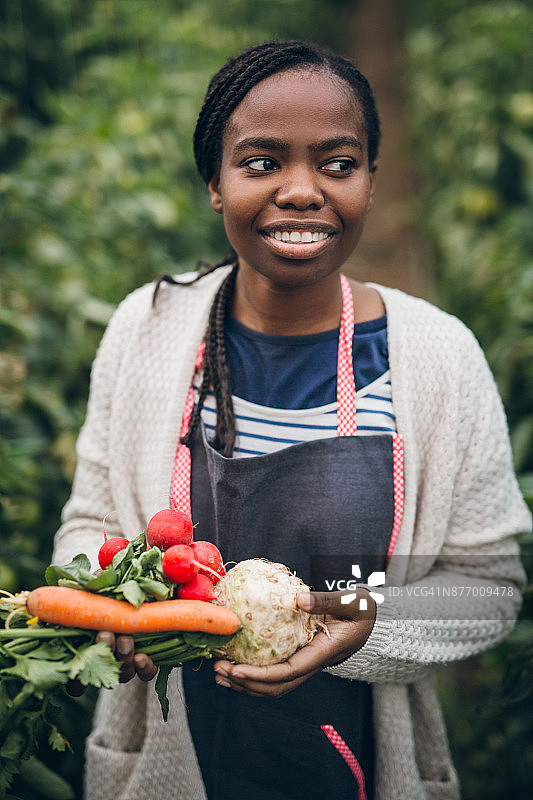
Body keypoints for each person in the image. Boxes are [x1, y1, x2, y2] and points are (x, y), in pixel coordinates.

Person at [53, 40, 531, 800]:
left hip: (354, 760)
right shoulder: (145, 331)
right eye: (262, 162)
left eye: (337, 164)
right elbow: (90, 523)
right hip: (173, 759)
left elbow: (487, 589)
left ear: (371, 182)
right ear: (214, 183)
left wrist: (361, 621)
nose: (302, 191)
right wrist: (114, 603)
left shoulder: (438, 357)